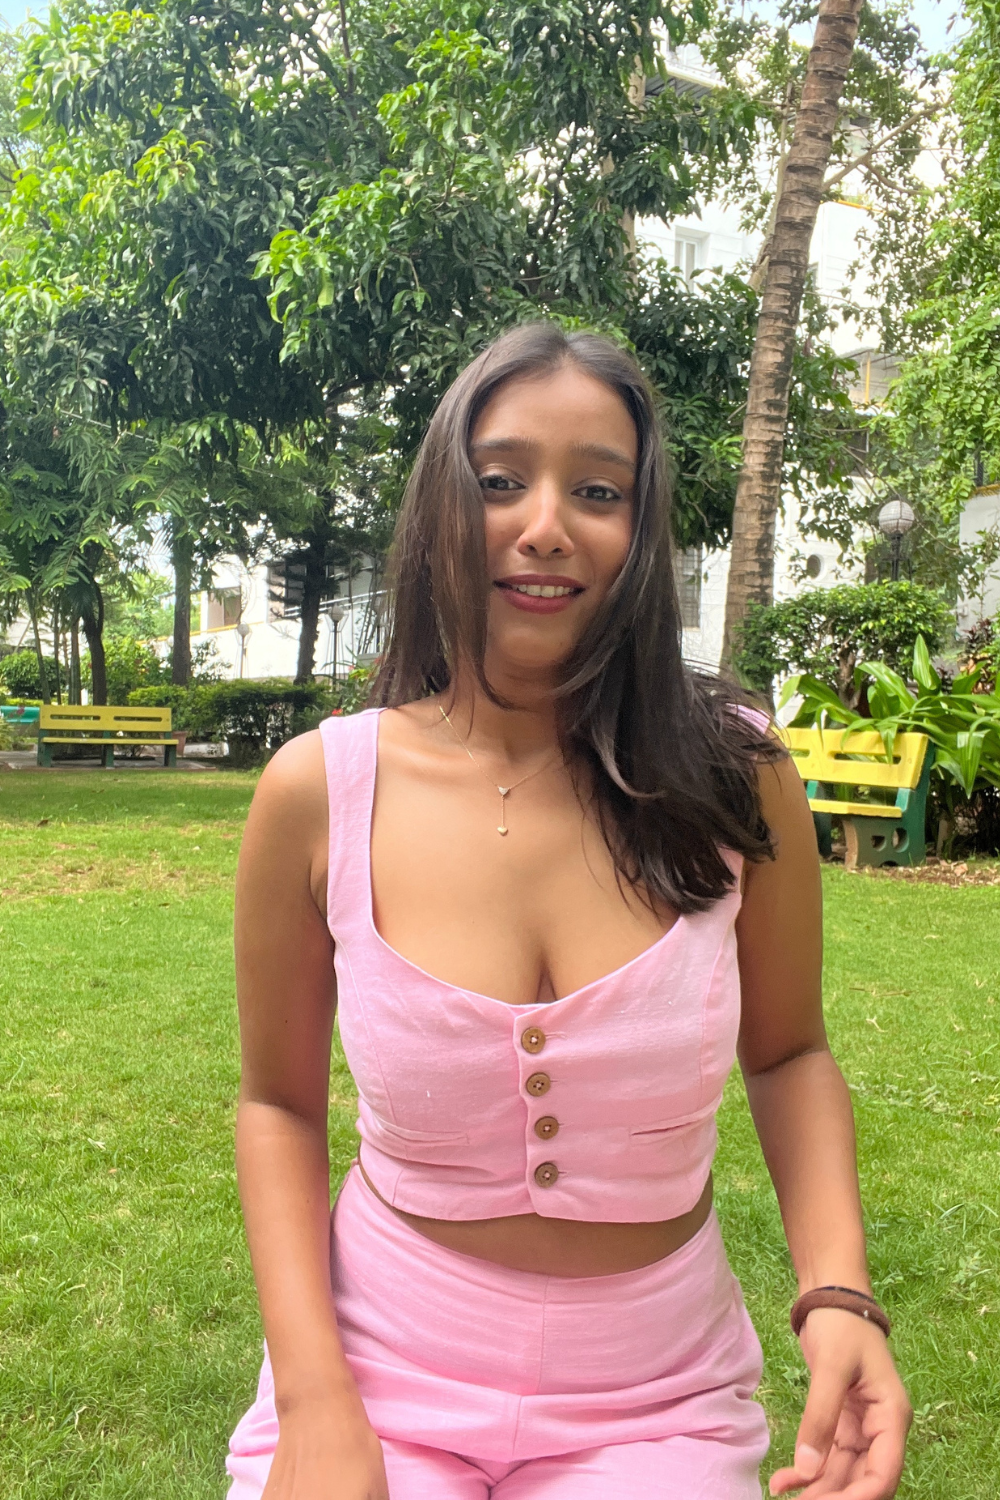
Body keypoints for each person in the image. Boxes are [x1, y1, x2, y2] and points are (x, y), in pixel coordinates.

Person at [225, 323, 911, 1500]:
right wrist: (317, 1398)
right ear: (440, 504)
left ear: (640, 530)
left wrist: (837, 1294)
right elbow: (278, 1106)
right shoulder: (318, 791)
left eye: (597, 489)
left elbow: (790, 1052)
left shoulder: (735, 779)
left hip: (655, 1399)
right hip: (380, 1362)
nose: (545, 524)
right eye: (499, 481)